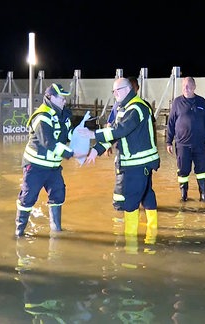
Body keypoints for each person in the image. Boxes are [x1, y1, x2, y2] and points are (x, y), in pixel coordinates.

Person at [81, 77, 159, 238]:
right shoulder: (125, 108)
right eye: (113, 91)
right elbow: (115, 132)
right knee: (146, 194)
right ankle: (153, 234)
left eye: (117, 90)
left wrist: (93, 134)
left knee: (130, 203)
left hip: (136, 164)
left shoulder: (136, 108)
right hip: (140, 163)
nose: (114, 94)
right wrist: (97, 149)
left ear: (128, 89)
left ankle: (130, 250)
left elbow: (121, 130)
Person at [15, 83, 85, 236]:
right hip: (35, 167)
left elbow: (67, 135)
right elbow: (49, 143)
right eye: (62, 98)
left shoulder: (63, 115)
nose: (64, 101)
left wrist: (81, 135)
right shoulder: (41, 116)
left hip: (53, 168)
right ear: (51, 97)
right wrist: (73, 153)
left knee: (58, 195)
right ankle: (19, 233)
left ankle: (56, 230)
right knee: (28, 198)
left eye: (65, 98)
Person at [165, 76, 205, 202]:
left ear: (194, 87)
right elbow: (171, 122)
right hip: (182, 145)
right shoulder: (177, 102)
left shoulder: (201, 102)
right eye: (183, 86)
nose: (185, 89)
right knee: (183, 171)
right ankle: (184, 196)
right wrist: (168, 141)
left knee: (202, 171)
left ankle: (203, 197)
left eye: (188, 86)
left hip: (200, 145)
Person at [105, 76, 156, 155]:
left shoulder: (144, 106)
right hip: (121, 150)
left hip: (139, 149)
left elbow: (153, 126)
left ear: (137, 88)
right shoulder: (117, 106)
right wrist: (107, 144)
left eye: (133, 88)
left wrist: (154, 145)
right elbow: (110, 125)